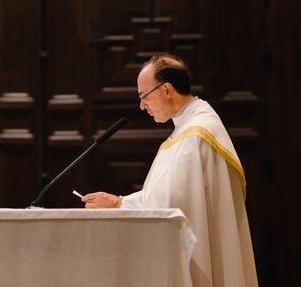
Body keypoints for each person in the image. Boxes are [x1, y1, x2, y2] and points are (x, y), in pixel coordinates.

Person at [82, 54, 258, 287]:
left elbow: (172, 205)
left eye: (144, 96)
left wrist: (121, 204)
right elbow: (168, 197)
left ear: (167, 90)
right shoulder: (191, 127)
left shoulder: (196, 135)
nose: (142, 105)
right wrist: (119, 203)